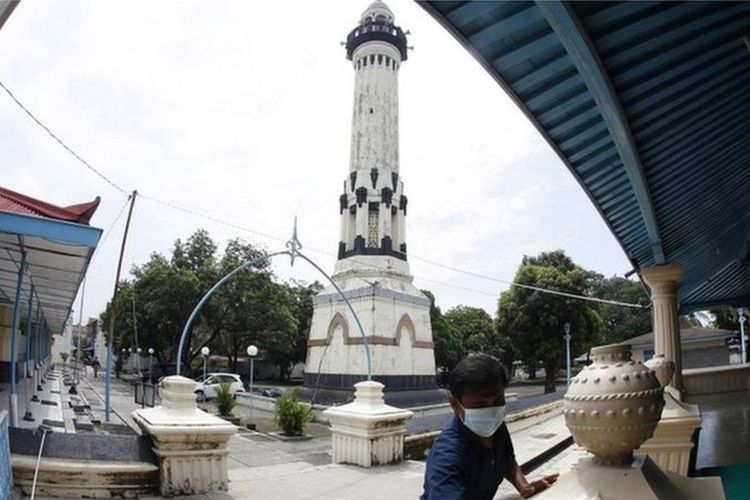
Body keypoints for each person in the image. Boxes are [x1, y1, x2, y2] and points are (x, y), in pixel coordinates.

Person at [421, 354, 558, 499]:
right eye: (480, 405)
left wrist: (523, 486)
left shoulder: (497, 426)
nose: (492, 412)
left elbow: (506, 459)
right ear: (455, 404)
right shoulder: (447, 456)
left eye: (499, 400)